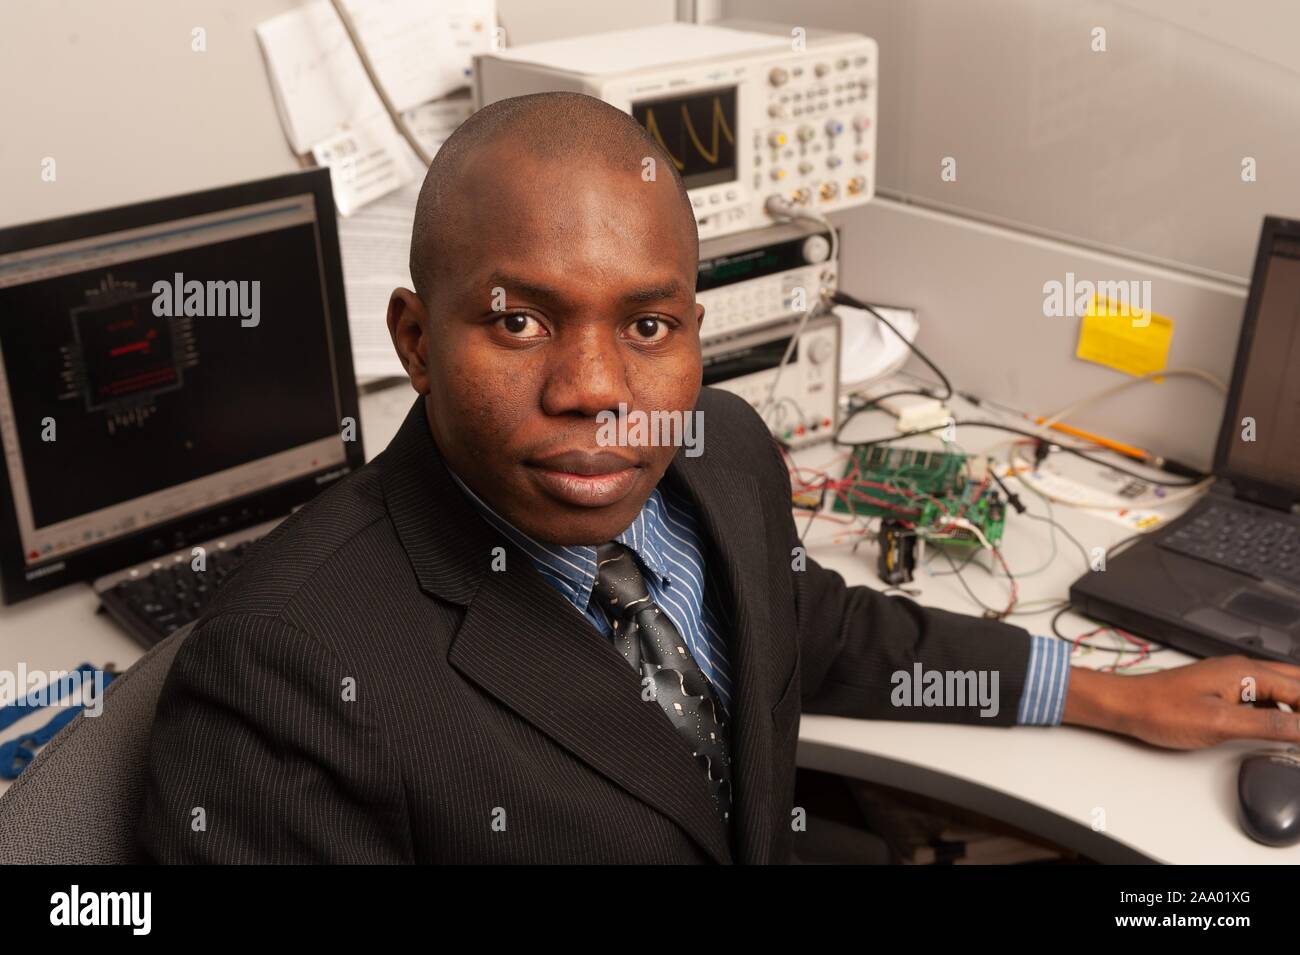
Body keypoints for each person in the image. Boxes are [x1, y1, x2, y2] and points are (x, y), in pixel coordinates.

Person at [141, 92, 1300, 864]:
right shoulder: (283, 682)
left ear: (695, 331)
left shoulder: (720, 451)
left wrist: (1105, 692)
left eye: (646, 326)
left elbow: (817, 626)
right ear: (414, 339)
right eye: (518, 321)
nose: (597, 387)